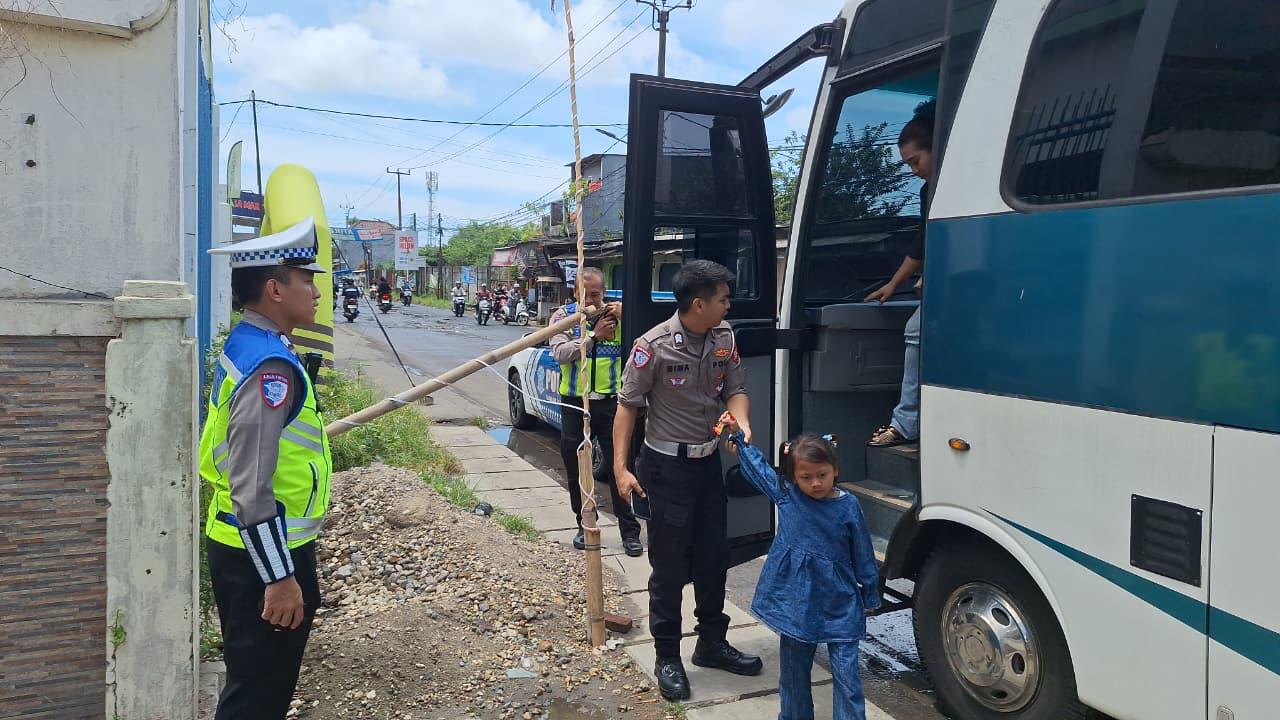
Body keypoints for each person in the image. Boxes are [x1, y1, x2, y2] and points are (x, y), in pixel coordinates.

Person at [613, 259, 762, 701]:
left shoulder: (724, 337)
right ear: (698, 304)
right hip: (666, 470)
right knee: (670, 566)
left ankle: (712, 643)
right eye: (722, 298)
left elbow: (734, 389)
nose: (728, 305)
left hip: (706, 466)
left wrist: (741, 422)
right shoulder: (652, 347)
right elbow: (627, 407)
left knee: (715, 556)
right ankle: (667, 655)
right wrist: (621, 469)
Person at [202, 217, 332, 718]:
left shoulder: (250, 344)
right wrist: (279, 577)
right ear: (274, 288)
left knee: (254, 681)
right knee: (257, 695)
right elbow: (251, 483)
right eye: (306, 280)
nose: (316, 292)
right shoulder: (269, 368)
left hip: (247, 543)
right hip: (263, 554)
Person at [718, 417, 881, 720]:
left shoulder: (848, 506)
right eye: (806, 477)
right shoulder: (787, 496)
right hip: (796, 603)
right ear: (793, 477)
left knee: (848, 677)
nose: (816, 483)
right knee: (793, 674)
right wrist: (739, 439)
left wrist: (870, 593)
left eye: (822, 474)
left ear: (836, 471)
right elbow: (761, 471)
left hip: (840, 603)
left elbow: (863, 553)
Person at [547, 267, 643, 557]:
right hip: (574, 403)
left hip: (611, 403)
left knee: (620, 466)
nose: (592, 300)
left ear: (604, 292)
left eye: (597, 294)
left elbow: (643, 345)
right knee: (576, 466)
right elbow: (560, 353)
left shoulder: (616, 314)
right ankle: (584, 523)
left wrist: (629, 320)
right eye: (586, 294)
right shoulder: (563, 317)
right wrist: (593, 337)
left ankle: (630, 532)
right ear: (575, 292)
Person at [864, 100, 935, 446]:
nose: (913, 170)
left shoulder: (956, 186)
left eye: (916, 161)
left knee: (916, 330)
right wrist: (893, 284)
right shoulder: (929, 191)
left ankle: (907, 422)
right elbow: (925, 242)